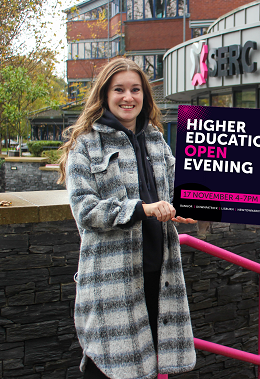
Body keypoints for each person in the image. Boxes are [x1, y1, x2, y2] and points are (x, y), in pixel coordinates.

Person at [58, 58, 196, 379]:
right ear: (105, 94)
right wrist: (142, 209)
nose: (128, 97)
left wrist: (192, 204)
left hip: (158, 275)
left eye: (135, 90)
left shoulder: (156, 141)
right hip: (111, 280)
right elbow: (86, 209)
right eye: (119, 89)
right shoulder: (86, 145)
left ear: (145, 96)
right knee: (105, 367)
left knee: (147, 368)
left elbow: (182, 186)